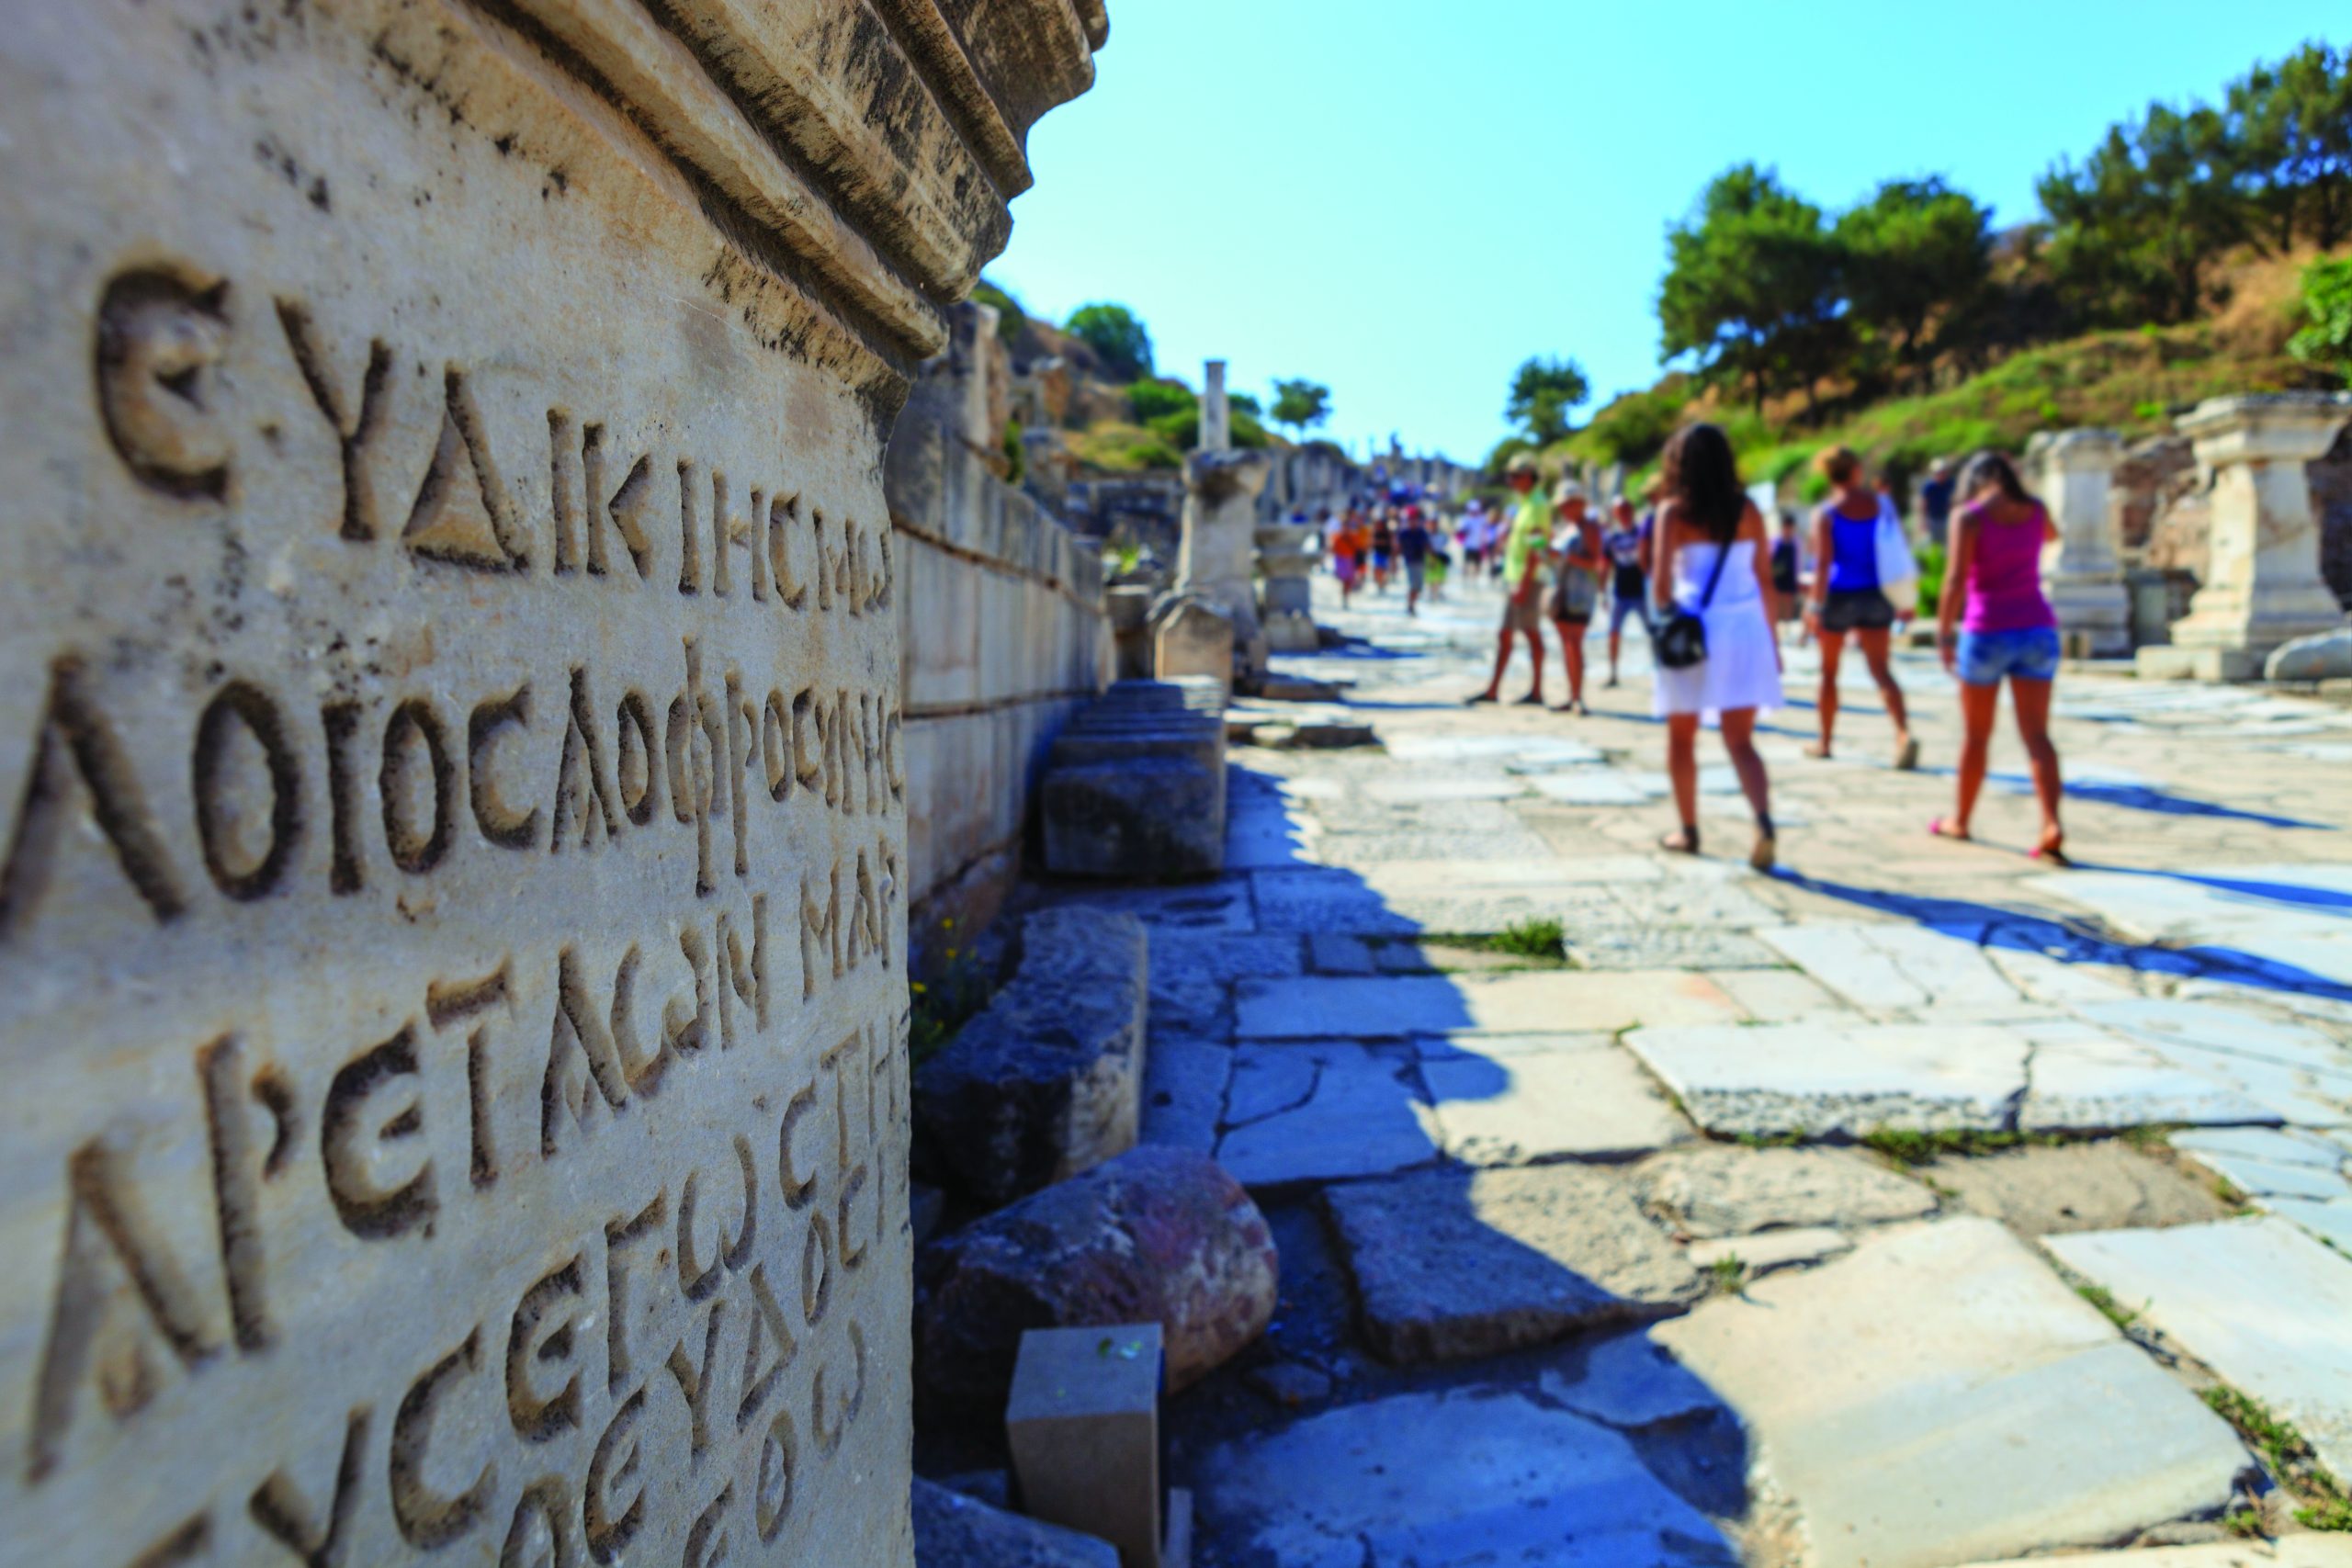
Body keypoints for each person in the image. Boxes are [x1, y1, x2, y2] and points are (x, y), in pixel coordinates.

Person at [1649, 424, 1782, 869]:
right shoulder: (1748, 509)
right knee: (1741, 740)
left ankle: (1688, 830)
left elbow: (1662, 589)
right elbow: (1765, 579)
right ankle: (1762, 820)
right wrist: (1774, 643)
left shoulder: (1674, 512)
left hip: (1694, 635)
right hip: (1745, 630)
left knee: (1682, 739)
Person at [1933, 449, 2068, 863]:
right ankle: (2051, 822)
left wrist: (1943, 633)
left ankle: (1960, 819)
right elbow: (2052, 536)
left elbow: (1955, 579)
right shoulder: (2035, 509)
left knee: (1976, 736)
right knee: (2037, 735)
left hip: (1987, 628)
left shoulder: (1969, 517)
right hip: (2036, 627)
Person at [1804, 446, 1917, 769]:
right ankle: (1902, 733)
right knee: (1881, 670)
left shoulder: (1826, 513)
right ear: (1855, 470)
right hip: (1876, 593)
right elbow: (1897, 546)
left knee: (1828, 673)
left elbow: (1824, 564)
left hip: (1839, 595)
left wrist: (1813, 606)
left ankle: (1825, 742)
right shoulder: (1880, 505)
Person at [1468, 454, 1550, 705]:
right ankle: (1495, 688)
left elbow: (1537, 548)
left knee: (1529, 633)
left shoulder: (1536, 504)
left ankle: (1533, 690)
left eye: (1515, 475)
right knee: (1508, 634)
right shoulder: (1525, 502)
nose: (1510, 480)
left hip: (1526, 579)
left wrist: (1524, 583)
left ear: (1528, 476)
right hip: (1518, 577)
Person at [1546, 481, 1602, 714]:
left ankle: (1578, 696)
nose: (1566, 508)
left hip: (1580, 594)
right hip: (1562, 591)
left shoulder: (1589, 527)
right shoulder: (1566, 528)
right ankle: (1572, 695)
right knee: (1566, 644)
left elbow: (1594, 562)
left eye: (1570, 503)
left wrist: (1565, 556)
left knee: (1575, 644)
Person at [1602, 498, 1648, 688]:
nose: (1624, 514)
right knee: (1613, 633)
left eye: (1626, 510)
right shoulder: (1611, 538)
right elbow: (1604, 565)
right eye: (1620, 511)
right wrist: (1601, 591)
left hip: (1642, 592)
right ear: (1615, 514)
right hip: (1620, 592)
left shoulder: (1641, 534)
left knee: (1654, 632)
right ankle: (1613, 673)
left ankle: (1662, 668)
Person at [1770, 512, 1804, 645]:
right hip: (1777, 576)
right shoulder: (1774, 541)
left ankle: (1788, 630)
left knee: (1789, 602)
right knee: (1777, 603)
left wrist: (1798, 576)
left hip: (1790, 576)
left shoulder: (1796, 542)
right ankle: (1777, 632)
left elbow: (1798, 561)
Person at [1398, 505, 1433, 616]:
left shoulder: (1422, 533)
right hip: (1410, 562)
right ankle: (1410, 605)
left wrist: (1432, 559)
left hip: (1421, 561)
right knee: (1413, 585)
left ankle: (1412, 604)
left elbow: (1427, 546)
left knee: (1419, 587)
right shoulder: (1404, 533)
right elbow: (1398, 548)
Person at [1919, 457, 1956, 548]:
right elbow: (1924, 503)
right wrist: (1924, 520)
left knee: (1949, 543)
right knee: (1935, 544)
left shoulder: (1951, 483)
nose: (1942, 474)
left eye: (1944, 472)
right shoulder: (1929, 486)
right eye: (1940, 472)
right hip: (1934, 518)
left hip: (1947, 517)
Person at [1370, 510, 1396, 593]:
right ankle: (1380, 583)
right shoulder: (1375, 532)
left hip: (1385, 554)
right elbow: (1372, 543)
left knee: (1383, 570)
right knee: (1378, 569)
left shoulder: (1387, 533)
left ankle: (1382, 583)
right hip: (1377, 553)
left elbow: (1390, 543)